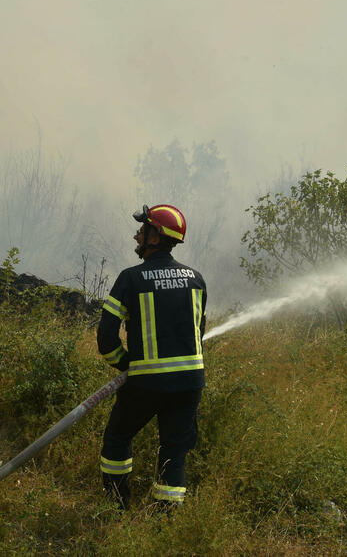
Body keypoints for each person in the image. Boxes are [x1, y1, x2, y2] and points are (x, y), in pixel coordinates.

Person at [96, 204, 208, 510]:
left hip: (146, 383)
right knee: (174, 450)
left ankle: (116, 507)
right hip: (189, 382)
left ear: (155, 237)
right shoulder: (196, 279)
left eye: (142, 229)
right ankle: (166, 519)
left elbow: (106, 337)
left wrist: (125, 364)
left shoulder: (132, 279)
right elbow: (198, 332)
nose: (136, 235)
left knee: (118, 439)